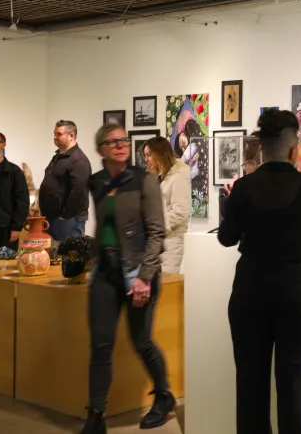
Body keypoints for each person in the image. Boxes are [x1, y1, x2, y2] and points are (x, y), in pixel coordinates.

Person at [217, 109, 301, 434]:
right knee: (292, 384)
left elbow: (226, 238)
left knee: (250, 384)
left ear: (260, 146)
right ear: (294, 149)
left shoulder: (244, 188)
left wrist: (233, 204)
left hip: (252, 290)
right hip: (298, 292)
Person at [81, 124, 174, 434]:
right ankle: (96, 416)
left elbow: (156, 231)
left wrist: (145, 276)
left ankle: (164, 395)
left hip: (138, 271)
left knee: (141, 340)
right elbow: (103, 225)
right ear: (101, 149)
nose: (120, 145)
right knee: (101, 345)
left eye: (123, 140)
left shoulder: (143, 180)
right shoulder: (96, 182)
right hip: (105, 272)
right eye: (112, 141)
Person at [143, 137, 190, 274]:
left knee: (167, 287)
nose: (146, 159)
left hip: (171, 244)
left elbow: (180, 211)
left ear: (160, 154)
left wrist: (155, 225)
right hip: (158, 243)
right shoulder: (158, 174)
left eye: (149, 155)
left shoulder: (179, 175)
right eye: (145, 155)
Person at [40, 120, 92, 243]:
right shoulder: (58, 157)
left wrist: (65, 215)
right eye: (54, 134)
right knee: (53, 259)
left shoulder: (78, 160)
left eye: (59, 134)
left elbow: (78, 191)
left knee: (70, 258)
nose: (55, 137)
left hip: (69, 220)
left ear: (71, 136)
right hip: (52, 217)